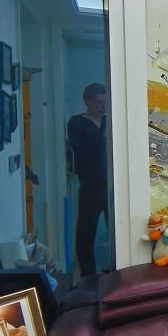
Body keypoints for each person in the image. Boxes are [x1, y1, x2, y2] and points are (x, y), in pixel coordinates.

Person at [68, 83, 108, 278]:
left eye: (106, 102)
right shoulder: (76, 123)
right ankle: (87, 275)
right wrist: (102, 136)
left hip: (112, 185)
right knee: (86, 231)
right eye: (99, 102)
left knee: (118, 229)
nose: (103, 107)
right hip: (90, 185)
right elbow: (81, 153)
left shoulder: (110, 120)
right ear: (87, 101)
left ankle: (117, 270)